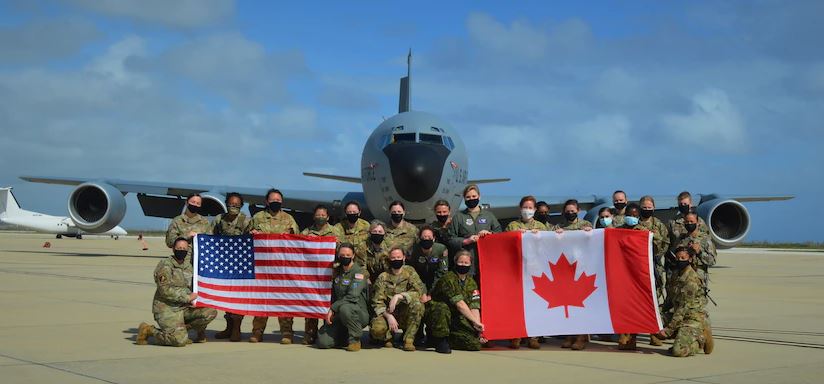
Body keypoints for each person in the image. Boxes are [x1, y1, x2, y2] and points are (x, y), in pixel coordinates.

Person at [137, 238, 217, 347]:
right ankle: (149, 330)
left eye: (184, 248)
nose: (182, 250)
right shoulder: (165, 265)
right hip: (167, 309)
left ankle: (181, 330)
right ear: (173, 249)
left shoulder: (189, 266)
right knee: (179, 341)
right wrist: (187, 298)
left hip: (184, 307)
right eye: (179, 248)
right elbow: (164, 290)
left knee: (210, 312)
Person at [246, 188, 300, 344]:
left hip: (282, 268)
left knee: (283, 300)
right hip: (263, 268)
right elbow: (247, 236)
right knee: (262, 299)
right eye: (272, 200)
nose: (275, 202)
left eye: (278, 200)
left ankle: (287, 332)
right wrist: (252, 234)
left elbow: (298, 241)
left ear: (282, 202)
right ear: (266, 202)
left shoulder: (289, 219)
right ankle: (257, 332)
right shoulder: (258, 218)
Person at [422, 250, 485, 353]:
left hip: (456, 317)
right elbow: (459, 304)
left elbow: (474, 306)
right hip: (438, 315)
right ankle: (439, 339)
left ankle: (448, 338)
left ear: (470, 264)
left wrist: (477, 327)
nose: (463, 265)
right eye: (460, 262)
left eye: (466, 263)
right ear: (455, 262)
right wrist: (474, 321)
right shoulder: (448, 279)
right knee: (442, 308)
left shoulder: (471, 282)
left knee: (474, 344)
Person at [657, 246, 714, 357]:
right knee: (655, 320)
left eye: (683, 258)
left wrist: (668, 330)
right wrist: (656, 313)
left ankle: (701, 339)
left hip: (692, 318)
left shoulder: (691, 281)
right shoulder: (675, 274)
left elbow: (683, 310)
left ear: (690, 259)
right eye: (678, 258)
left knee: (678, 351)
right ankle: (679, 337)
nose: (680, 261)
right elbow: (670, 300)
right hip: (678, 314)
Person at [505, 195, 545, 349]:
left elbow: (549, 246)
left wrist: (539, 237)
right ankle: (516, 334)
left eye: (530, 207)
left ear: (534, 210)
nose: (527, 210)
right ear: (520, 208)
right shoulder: (513, 225)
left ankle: (534, 337)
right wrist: (514, 235)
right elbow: (504, 244)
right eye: (525, 207)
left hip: (535, 270)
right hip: (517, 269)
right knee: (516, 302)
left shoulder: (541, 227)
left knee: (534, 302)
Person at [301, 204, 343, 345]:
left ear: (328, 217)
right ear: (314, 216)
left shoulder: (335, 231)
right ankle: (310, 333)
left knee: (329, 305)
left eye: (323, 215)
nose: (320, 217)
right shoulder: (306, 232)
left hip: (330, 274)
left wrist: (337, 244)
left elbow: (344, 252)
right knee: (311, 305)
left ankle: (328, 332)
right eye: (318, 215)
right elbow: (299, 251)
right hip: (312, 276)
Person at [370, 247, 426, 351]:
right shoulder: (383, 277)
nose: (396, 260)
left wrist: (399, 296)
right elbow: (377, 302)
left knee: (418, 305)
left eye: (399, 257)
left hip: (405, 312)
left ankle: (408, 340)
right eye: (393, 258)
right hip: (387, 313)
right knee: (377, 330)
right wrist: (388, 316)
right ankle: (387, 337)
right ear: (389, 260)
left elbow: (418, 291)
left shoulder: (410, 272)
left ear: (404, 258)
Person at [317, 243, 370, 351]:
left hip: (357, 313)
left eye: (348, 255)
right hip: (339, 315)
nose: (345, 257)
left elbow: (353, 296)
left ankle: (355, 340)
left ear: (353, 255)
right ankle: (343, 336)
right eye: (342, 255)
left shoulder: (359, 273)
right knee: (323, 342)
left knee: (345, 308)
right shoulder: (336, 271)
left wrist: (333, 308)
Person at [212, 192, 250, 342]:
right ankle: (228, 327)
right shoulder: (219, 219)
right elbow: (210, 236)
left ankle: (236, 328)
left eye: (236, 205)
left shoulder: (246, 221)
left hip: (240, 265)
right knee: (226, 297)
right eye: (230, 204)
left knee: (237, 298)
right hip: (224, 264)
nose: (233, 207)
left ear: (241, 205)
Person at [556, 199, 593, 350]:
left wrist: (588, 234)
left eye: (573, 211)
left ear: (578, 210)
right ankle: (570, 334)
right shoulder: (559, 227)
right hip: (565, 270)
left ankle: (581, 336)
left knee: (580, 304)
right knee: (568, 303)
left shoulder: (586, 225)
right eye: (568, 211)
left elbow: (592, 241)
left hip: (581, 269)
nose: (570, 213)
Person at [447, 184, 502, 281]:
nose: (471, 199)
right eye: (468, 197)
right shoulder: (459, 217)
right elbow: (451, 239)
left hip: (486, 262)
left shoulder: (489, 216)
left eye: (474, 196)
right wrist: (466, 241)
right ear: (464, 199)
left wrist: (490, 234)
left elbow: (500, 234)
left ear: (479, 197)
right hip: (466, 265)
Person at [636, 195, 670, 346]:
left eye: (649, 208)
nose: (647, 210)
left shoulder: (659, 225)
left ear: (654, 208)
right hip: (636, 268)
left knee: (654, 301)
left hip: (653, 266)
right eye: (644, 207)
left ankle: (654, 333)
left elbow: (666, 244)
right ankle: (630, 336)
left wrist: (654, 243)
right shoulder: (633, 223)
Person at [668, 210, 716, 288]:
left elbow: (712, 261)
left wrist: (700, 252)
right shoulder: (681, 239)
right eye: (687, 222)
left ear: (697, 222)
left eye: (691, 221)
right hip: (680, 279)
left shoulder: (705, 240)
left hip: (697, 280)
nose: (689, 224)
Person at [334, 201, 370, 265]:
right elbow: (336, 247)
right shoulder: (338, 227)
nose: (352, 214)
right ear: (345, 213)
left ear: (359, 213)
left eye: (354, 212)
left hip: (361, 264)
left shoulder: (366, 225)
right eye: (349, 212)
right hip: (344, 264)